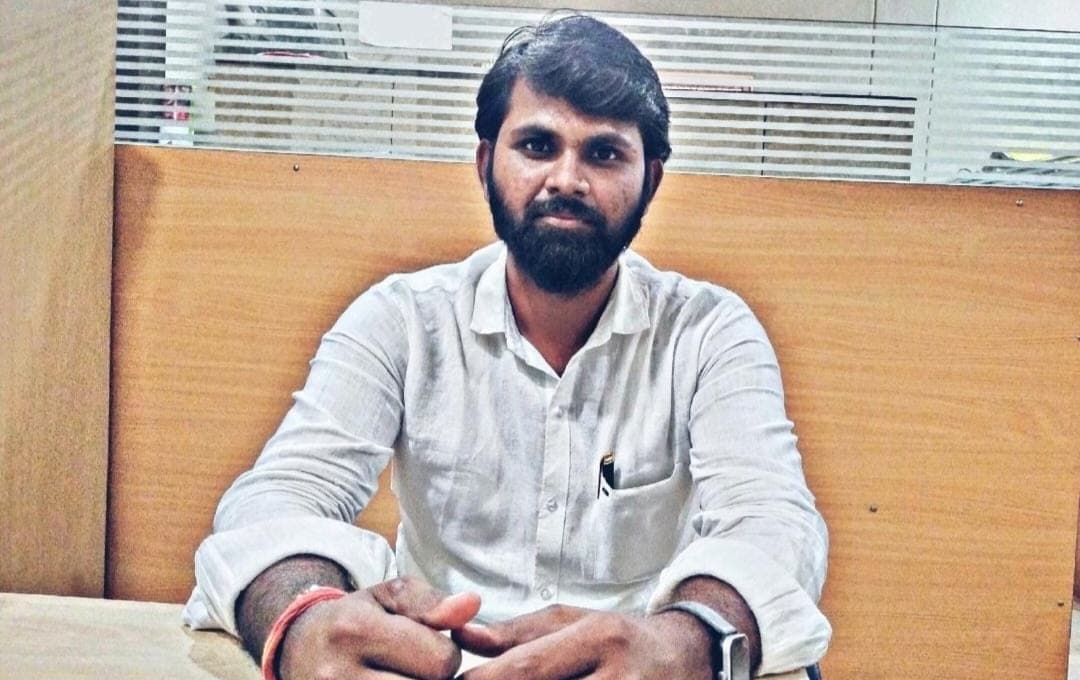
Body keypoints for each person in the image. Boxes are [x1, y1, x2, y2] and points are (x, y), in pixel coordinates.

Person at [183, 14, 831, 680]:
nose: (567, 180)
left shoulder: (709, 333)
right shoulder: (402, 320)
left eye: (604, 154)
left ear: (652, 180)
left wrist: (688, 641)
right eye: (537, 146)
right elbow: (280, 497)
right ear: (486, 163)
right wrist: (303, 617)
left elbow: (773, 522)